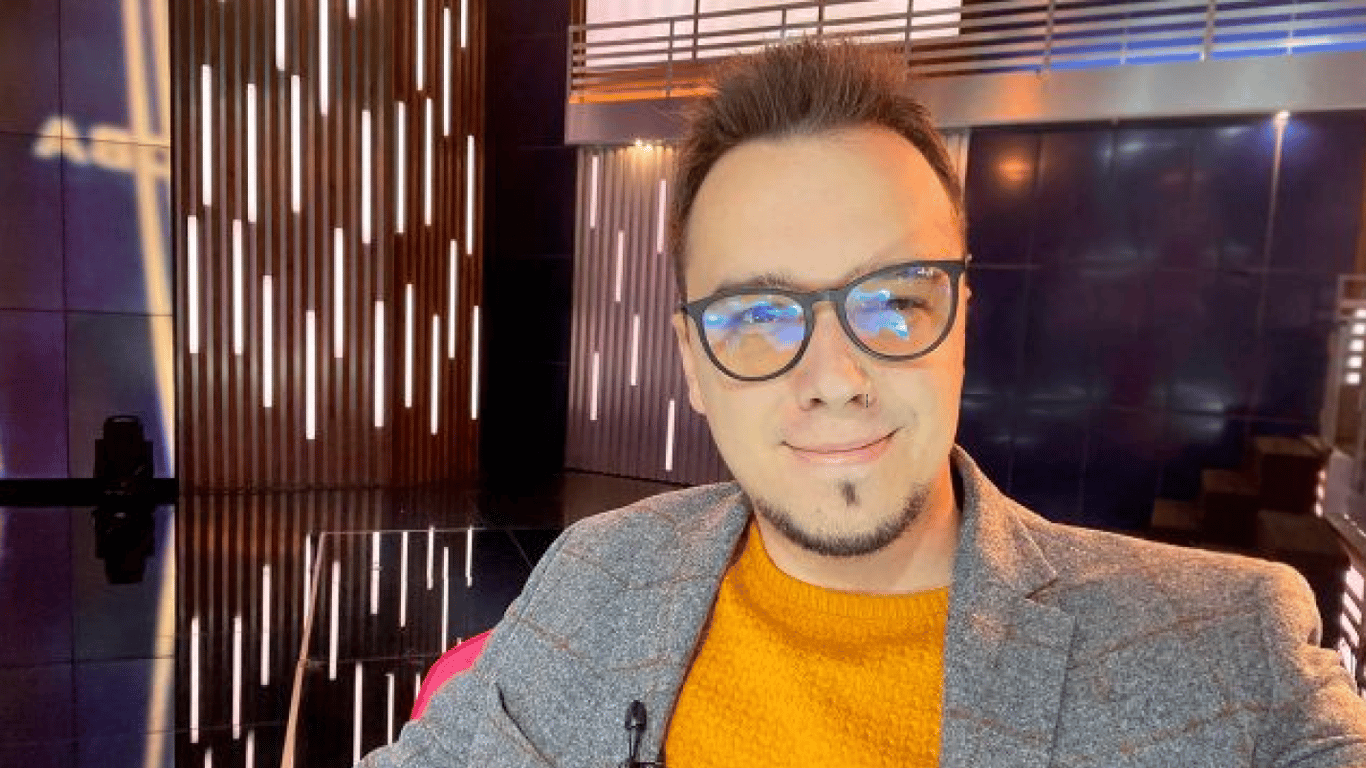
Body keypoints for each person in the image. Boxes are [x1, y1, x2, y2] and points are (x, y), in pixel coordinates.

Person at [361, 40, 1366, 767]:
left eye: (891, 301)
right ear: (694, 364)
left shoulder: (1229, 655)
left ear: (960, 322)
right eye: (759, 315)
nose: (835, 376)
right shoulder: (595, 575)